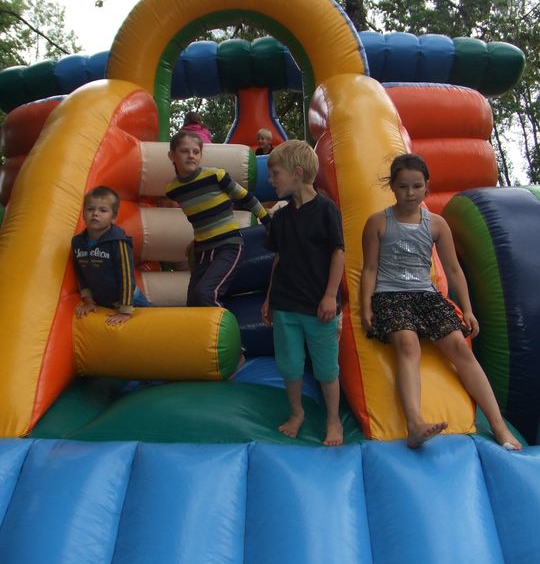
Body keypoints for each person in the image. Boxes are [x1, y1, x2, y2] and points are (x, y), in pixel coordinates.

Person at [361, 153, 522, 450]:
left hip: (426, 295)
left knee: (460, 346)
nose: (410, 193)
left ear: (427, 187)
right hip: (390, 295)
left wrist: (468, 310)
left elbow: (453, 269)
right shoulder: (378, 223)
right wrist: (366, 307)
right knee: (407, 343)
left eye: (416, 186)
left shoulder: (436, 224)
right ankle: (415, 424)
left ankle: (498, 426)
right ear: (392, 187)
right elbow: (369, 268)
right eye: (403, 186)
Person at [262, 140, 345, 446]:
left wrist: (330, 295)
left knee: (326, 368)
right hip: (286, 304)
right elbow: (279, 258)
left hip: (318, 307)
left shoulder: (326, 210)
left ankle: (333, 419)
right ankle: (296, 413)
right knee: (290, 365)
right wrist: (270, 298)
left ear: (297, 173)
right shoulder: (281, 217)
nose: (271, 180)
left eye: (275, 174)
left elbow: (338, 252)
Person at [166, 130, 271, 308]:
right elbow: (201, 215)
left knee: (206, 294)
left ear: (200, 156)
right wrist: (199, 238)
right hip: (203, 250)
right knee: (193, 300)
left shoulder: (215, 176)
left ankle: (223, 326)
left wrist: (268, 222)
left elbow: (246, 197)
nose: (191, 155)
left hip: (228, 246)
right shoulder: (173, 190)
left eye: (196, 152)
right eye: (184, 151)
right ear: (172, 155)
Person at [72, 186, 150, 326]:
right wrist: (88, 301)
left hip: (131, 301)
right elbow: (81, 274)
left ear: (114, 217)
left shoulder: (118, 242)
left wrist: (125, 310)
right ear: (83, 213)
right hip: (103, 301)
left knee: (149, 326)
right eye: (90, 209)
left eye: (103, 210)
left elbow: (127, 277)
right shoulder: (78, 242)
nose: (95, 213)